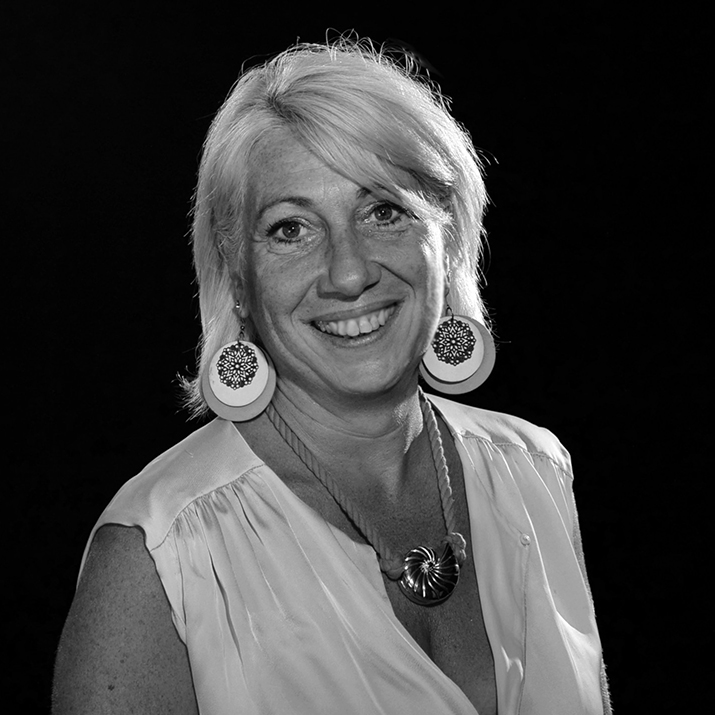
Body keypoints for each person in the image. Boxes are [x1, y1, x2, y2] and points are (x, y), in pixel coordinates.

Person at [52, 39, 611, 714]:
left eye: (384, 211)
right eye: (290, 229)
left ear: (447, 237)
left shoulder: (536, 472)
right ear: (236, 275)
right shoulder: (159, 553)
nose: (349, 273)